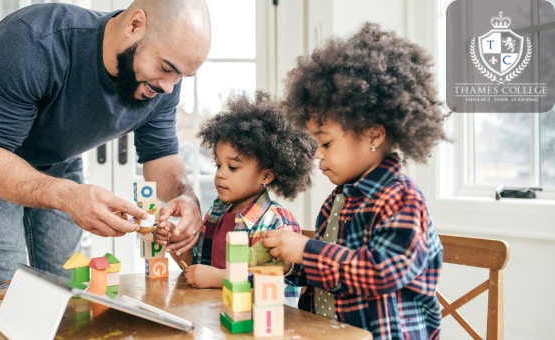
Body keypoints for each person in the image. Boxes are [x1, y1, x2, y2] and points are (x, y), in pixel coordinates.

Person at [0, 0, 210, 294]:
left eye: (180, 76)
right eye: (166, 68)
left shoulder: (164, 82)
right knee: (5, 289)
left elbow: (162, 155)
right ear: (134, 25)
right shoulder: (34, 39)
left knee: (67, 283)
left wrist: (187, 198)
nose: (169, 87)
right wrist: (66, 194)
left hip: (57, 158)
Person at [261, 23, 449, 339]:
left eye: (327, 143)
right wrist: (292, 264)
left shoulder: (402, 199)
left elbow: (380, 272)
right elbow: (333, 270)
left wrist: (306, 249)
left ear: (373, 134)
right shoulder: (338, 200)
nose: (317, 155)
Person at [155, 92, 315, 301]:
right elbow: (199, 266)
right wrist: (177, 244)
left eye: (232, 167)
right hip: (216, 315)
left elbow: (275, 279)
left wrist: (219, 278)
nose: (220, 173)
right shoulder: (216, 214)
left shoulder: (277, 222)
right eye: (218, 165)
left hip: (261, 323)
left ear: (266, 175)